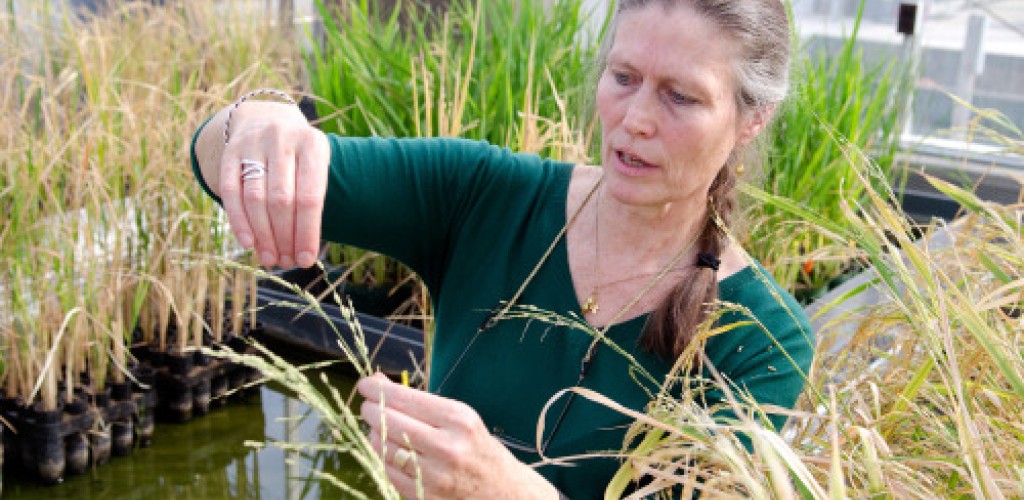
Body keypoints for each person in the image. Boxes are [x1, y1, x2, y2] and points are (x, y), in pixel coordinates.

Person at [191, 0, 814, 497]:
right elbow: (214, 161)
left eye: (680, 96)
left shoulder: (764, 339)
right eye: (623, 77)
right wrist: (258, 122)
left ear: (751, 117)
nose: (636, 118)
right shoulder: (485, 196)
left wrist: (509, 491)